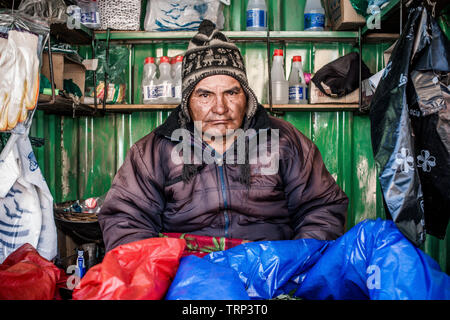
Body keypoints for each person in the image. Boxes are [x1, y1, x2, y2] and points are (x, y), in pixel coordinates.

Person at [98, 20, 348, 253]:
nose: (220, 108)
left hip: (270, 270)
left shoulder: (284, 140)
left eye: (231, 93)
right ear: (187, 102)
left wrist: (296, 262)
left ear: (246, 96)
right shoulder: (153, 151)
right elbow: (125, 219)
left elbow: (321, 207)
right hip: (186, 272)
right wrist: (157, 271)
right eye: (205, 95)